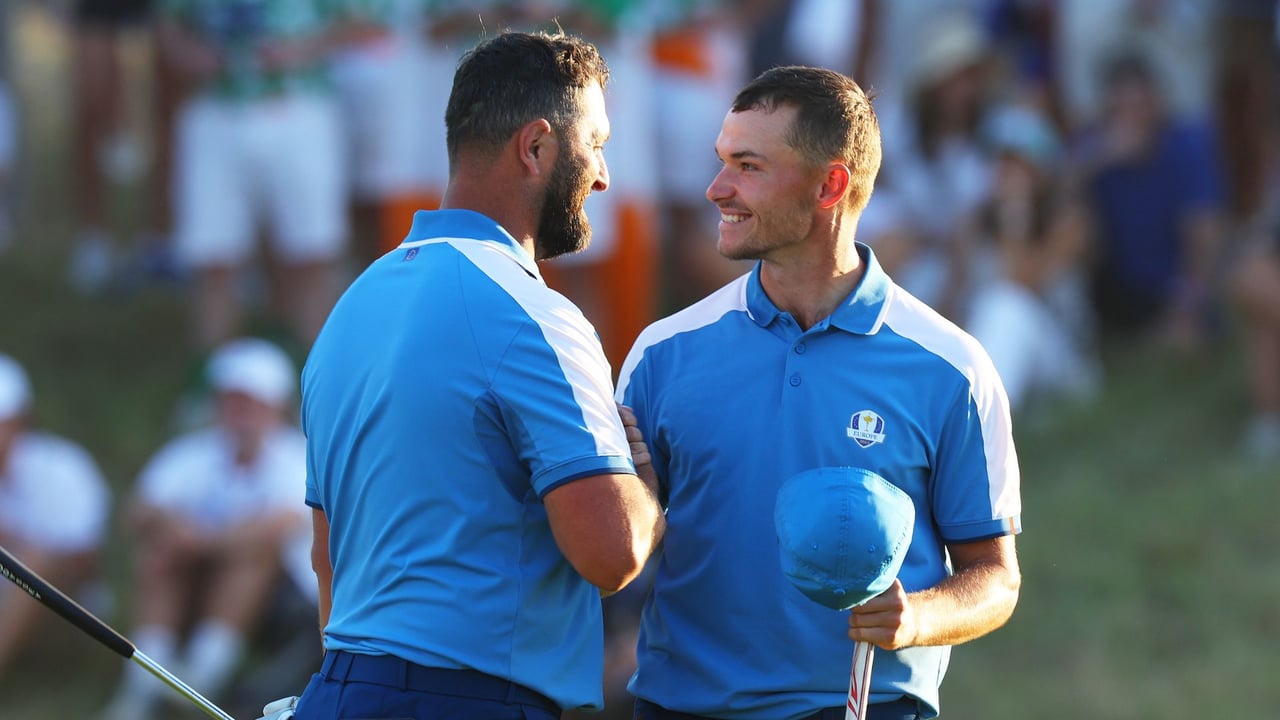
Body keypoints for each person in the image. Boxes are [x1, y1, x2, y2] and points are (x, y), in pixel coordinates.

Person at [274, 31, 664, 720]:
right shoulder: (536, 315)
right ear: (537, 146)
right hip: (466, 698)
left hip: (337, 688)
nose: (604, 174)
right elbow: (613, 552)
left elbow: (327, 562)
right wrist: (645, 490)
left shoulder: (350, 308)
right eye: (596, 143)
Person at [616, 66, 1022, 719]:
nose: (717, 189)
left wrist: (913, 618)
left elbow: (995, 578)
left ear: (830, 183)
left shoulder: (952, 367)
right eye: (722, 161)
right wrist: (631, 509)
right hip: (682, 706)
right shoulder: (662, 353)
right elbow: (617, 556)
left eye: (748, 166)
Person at [101, 337, 310, 720]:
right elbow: (139, 511)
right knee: (160, 551)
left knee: (252, 554)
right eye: (231, 399)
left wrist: (198, 540)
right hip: (204, 583)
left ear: (274, 405)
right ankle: (148, 684)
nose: (238, 410)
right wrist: (175, 530)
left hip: (287, 604)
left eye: (249, 401)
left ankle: (197, 679)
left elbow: (283, 525)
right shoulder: (193, 452)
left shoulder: (296, 455)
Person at [156, 0, 349, 351]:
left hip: (299, 103)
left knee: (312, 251)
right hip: (215, 108)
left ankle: (318, 377)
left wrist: (302, 49)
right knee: (213, 256)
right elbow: (169, 26)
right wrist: (194, 56)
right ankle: (214, 378)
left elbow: (359, 20)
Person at [0, 352, 112, 678]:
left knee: (32, 561)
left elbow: (82, 561)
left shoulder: (63, 468)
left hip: (66, 616)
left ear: (20, 420)